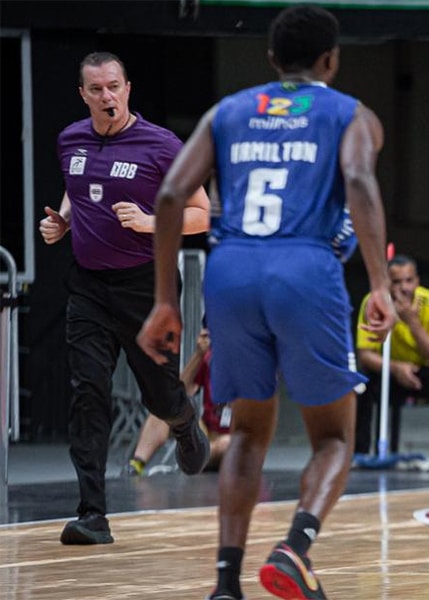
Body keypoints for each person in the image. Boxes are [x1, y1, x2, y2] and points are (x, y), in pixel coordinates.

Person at [136, 6, 395, 600]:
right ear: (332, 59)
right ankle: (294, 549)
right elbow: (358, 181)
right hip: (304, 266)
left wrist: (164, 301)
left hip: (231, 271)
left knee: (248, 433)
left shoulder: (228, 111)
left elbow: (174, 192)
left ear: (272, 59)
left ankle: (226, 584)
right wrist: (379, 283)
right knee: (332, 438)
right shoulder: (350, 112)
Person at [38, 51, 211, 546]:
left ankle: (182, 422)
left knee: (157, 392)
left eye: (114, 86)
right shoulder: (69, 139)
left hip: (145, 285)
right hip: (88, 286)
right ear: (83, 95)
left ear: (128, 88)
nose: (107, 97)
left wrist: (153, 222)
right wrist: (63, 222)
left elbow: (203, 213)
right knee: (87, 394)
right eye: (96, 90)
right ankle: (93, 513)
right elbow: (77, 189)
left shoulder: (161, 145)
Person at [354, 254, 429, 469]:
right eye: (396, 282)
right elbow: (365, 355)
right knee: (360, 383)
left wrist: (413, 323)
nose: (403, 287)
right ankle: (360, 454)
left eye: (408, 280)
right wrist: (396, 369)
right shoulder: (373, 303)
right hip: (389, 372)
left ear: (417, 281)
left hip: (426, 372)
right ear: (386, 283)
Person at [128, 327, 231, 475]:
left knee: (226, 444)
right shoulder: (211, 358)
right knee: (165, 410)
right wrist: (198, 354)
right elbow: (179, 393)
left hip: (236, 440)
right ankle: (136, 464)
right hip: (208, 433)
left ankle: (195, 457)